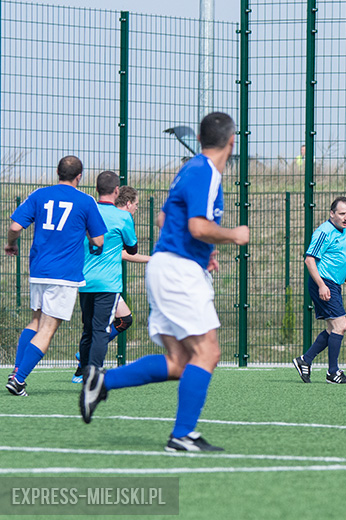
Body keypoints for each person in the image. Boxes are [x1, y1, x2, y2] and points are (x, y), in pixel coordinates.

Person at [80, 112, 250, 453]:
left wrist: (204, 252)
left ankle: (101, 380)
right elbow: (199, 227)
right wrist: (234, 235)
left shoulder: (190, 169)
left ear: (200, 140)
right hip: (179, 272)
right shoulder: (207, 173)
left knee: (180, 362)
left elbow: (164, 218)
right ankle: (182, 435)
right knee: (208, 352)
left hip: (168, 266)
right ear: (232, 143)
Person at [5, 156, 107, 396]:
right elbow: (99, 240)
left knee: (35, 322)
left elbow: (14, 227)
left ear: (57, 172)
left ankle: (16, 371)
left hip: (39, 270)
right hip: (64, 274)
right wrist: (94, 245)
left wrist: (11, 245)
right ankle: (18, 379)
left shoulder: (39, 194)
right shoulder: (86, 201)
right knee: (47, 329)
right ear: (79, 176)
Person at [73, 180, 149, 384]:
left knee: (91, 329)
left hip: (85, 279)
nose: (137, 208)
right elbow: (130, 249)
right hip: (108, 282)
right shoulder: (122, 217)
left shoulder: (87, 210)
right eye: (136, 204)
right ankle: (92, 374)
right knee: (101, 331)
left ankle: (82, 369)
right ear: (119, 193)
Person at [293, 196, 346, 384]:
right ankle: (333, 372)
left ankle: (305, 360)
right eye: (342, 213)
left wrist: (343, 276)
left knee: (332, 328)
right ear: (332, 213)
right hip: (324, 283)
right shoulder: (324, 231)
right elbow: (309, 260)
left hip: (333, 282)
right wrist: (321, 285)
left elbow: (333, 257)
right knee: (340, 326)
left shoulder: (344, 230)